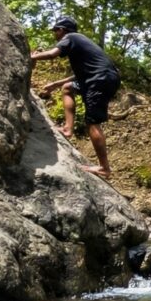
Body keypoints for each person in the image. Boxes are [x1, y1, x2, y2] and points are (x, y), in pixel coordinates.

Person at [30, 16, 121, 179]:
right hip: (101, 77)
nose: (54, 35)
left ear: (62, 30)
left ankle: (104, 168)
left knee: (93, 122)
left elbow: (52, 54)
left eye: (55, 31)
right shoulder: (79, 42)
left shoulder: (70, 37)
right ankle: (68, 128)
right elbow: (82, 74)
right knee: (67, 88)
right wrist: (56, 84)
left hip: (100, 79)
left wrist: (32, 57)